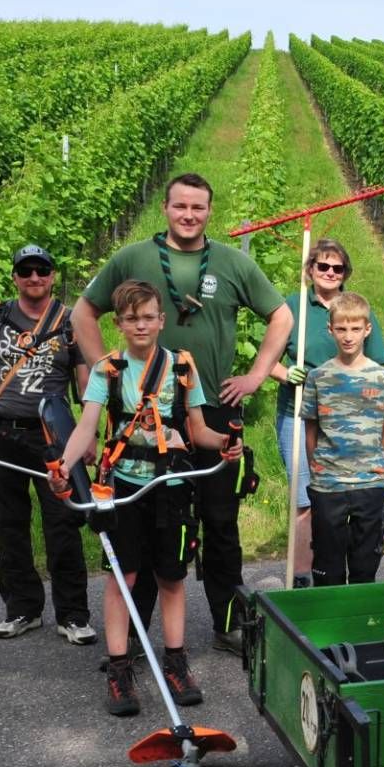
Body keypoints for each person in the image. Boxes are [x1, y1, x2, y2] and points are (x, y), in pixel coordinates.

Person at [70, 173, 293, 654]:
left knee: (220, 522)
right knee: (148, 522)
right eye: (180, 207)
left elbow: (281, 316)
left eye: (198, 207)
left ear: (210, 211)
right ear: (165, 209)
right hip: (146, 421)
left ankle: (228, 624)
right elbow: (82, 313)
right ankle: (132, 639)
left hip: (211, 410)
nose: (189, 215)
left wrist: (257, 374)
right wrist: (101, 374)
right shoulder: (133, 258)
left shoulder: (233, 263)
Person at [54, 281, 235, 716]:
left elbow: (197, 432)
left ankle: (176, 663)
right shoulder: (107, 371)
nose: (141, 325)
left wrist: (225, 442)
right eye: (132, 318)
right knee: (123, 578)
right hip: (123, 489)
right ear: (119, 323)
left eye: (148, 316)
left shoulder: (181, 368)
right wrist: (64, 464)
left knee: (172, 578)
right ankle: (120, 669)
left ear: (161, 320)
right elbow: (87, 428)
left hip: (171, 486)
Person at [0, 243, 94, 644]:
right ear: (15, 277)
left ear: (53, 275)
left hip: (53, 438)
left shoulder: (70, 321)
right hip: (0, 434)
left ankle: (73, 615)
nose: (35, 278)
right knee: (9, 525)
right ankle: (23, 608)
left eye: (42, 270)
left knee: (63, 524)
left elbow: (84, 380)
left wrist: (88, 433)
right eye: (26, 271)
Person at [273, 238, 384, 577]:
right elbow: (266, 358)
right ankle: (302, 578)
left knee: (348, 500)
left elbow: (378, 364)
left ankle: (348, 566)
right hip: (299, 413)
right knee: (306, 499)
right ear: (310, 270)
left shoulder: (356, 311)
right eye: (322, 266)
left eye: (337, 268)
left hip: (349, 418)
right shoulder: (292, 306)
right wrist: (285, 374)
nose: (329, 273)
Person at [301, 292, 384, 586]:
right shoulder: (318, 377)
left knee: (365, 565)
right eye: (341, 329)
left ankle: (360, 625)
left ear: (367, 329)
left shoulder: (382, 377)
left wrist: (375, 463)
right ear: (331, 330)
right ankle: (330, 625)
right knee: (327, 567)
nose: (348, 336)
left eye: (355, 329)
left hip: (369, 483)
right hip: (328, 485)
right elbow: (311, 431)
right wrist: (318, 468)